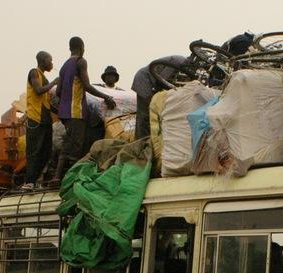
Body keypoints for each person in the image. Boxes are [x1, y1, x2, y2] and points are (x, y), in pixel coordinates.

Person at [53, 36, 116, 184]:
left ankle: (57, 176)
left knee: (67, 144)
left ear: (70, 48)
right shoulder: (80, 61)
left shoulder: (64, 66)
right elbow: (87, 86)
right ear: (82, 48)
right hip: (76, 111)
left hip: (64, 113)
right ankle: (71, 178)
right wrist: (105, 97)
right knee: (76, 146)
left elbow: (58, 92)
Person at [23, 51, 59, 190]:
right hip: (35, 119)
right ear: (43, 61)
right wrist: (54, 83)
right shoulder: (34, 73)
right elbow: (38, 90)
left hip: (45, 120)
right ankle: (29, 181)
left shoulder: (44, 77)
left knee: (46, 151)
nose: (52, 63)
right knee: (34, 151)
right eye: (50, 60)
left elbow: (48, 102)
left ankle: (37, 180)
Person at [131, 55, 188, 140]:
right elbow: (162, 79)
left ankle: (152, 141)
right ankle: (142, 143)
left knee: (156, 116)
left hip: (155, 85)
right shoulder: (179, 62)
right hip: (145, 81)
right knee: (145, 116)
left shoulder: (186, 68)